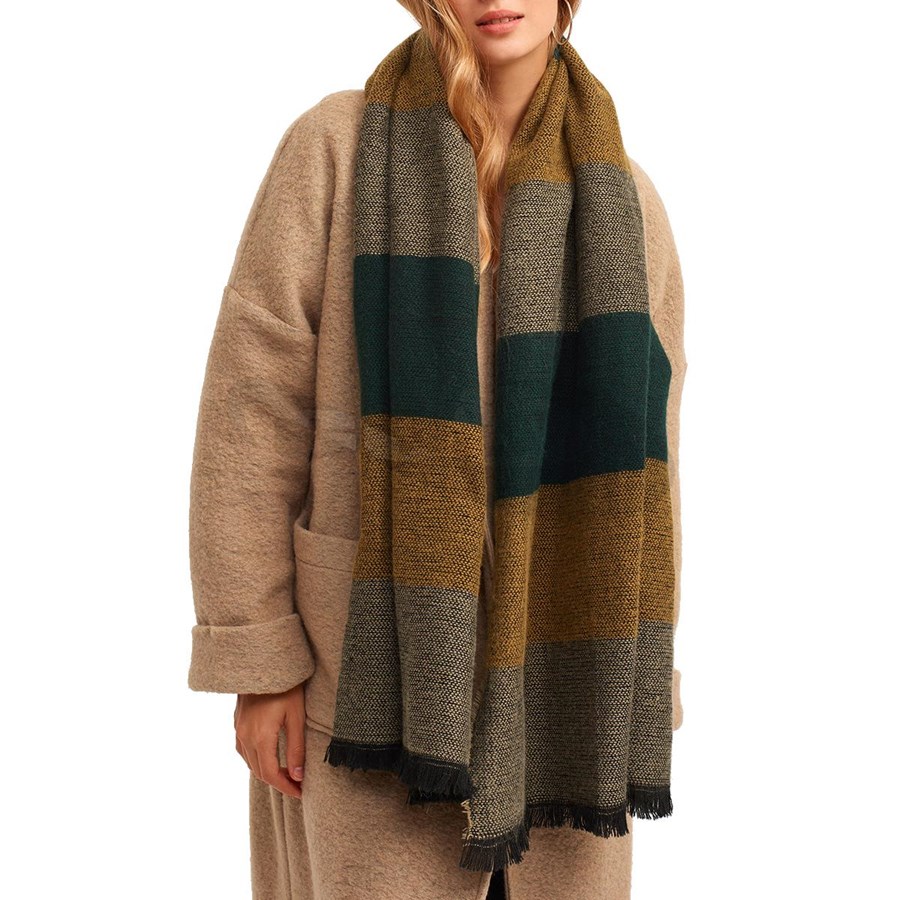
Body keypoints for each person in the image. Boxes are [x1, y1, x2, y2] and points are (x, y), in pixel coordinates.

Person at [187, 1, 687, 898]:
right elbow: (250, 415)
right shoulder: (338, 149)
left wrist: (645, 678)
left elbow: (653, 475)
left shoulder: (630, 207)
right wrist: (258, 662)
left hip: (562, 699)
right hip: (365, 681)